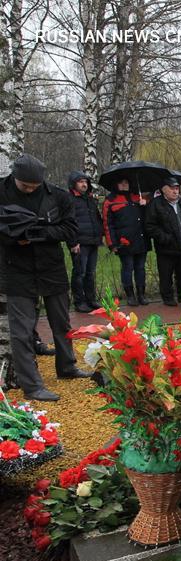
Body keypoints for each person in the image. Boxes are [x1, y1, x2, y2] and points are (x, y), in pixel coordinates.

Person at [0, 155, 91, 401]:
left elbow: (71, 229)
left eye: (34, 186)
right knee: (22, 331)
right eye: (24, 186)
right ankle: (32, 385)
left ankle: (67, 366)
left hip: (51, 267)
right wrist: (13, 236)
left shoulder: (58, 196)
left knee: (61, 322)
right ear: (14, 177)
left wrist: (37, 233)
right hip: (16, 269)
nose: (30, 189)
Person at [146, 177, 181, 306]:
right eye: (172, 189)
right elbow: (150, 226)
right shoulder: (155, 204)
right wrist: (165, 238)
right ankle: (168, 298)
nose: (175, 191)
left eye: (177, 188)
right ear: (164, 190)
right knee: (166, 274)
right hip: (166, 247)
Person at [102, 177, 149, 306]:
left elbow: (147, 218)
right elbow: (107, 224)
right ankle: (130, 295)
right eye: (121, 183)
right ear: (115, 184)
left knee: (140, 268)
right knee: (127, 268)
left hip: (141, 238)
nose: (124, 185)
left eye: (126, 183)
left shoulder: (137, 197)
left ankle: (141, 294)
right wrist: (111, 243)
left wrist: (145, 206)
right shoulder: (110, 201)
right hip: (124, 242)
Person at [67, 171, 103, 312]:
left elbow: (97, 219)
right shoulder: (70, 200)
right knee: (79, 273)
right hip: (79, 243)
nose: (84, 184)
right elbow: (68, 223)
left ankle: (91, 299)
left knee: (90, 273)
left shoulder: (90, 200)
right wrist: (72, 242)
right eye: (80, 181)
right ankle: (79, 301)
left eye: (86, 182)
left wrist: (101, 235)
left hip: (93, 240)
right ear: (74, 184)